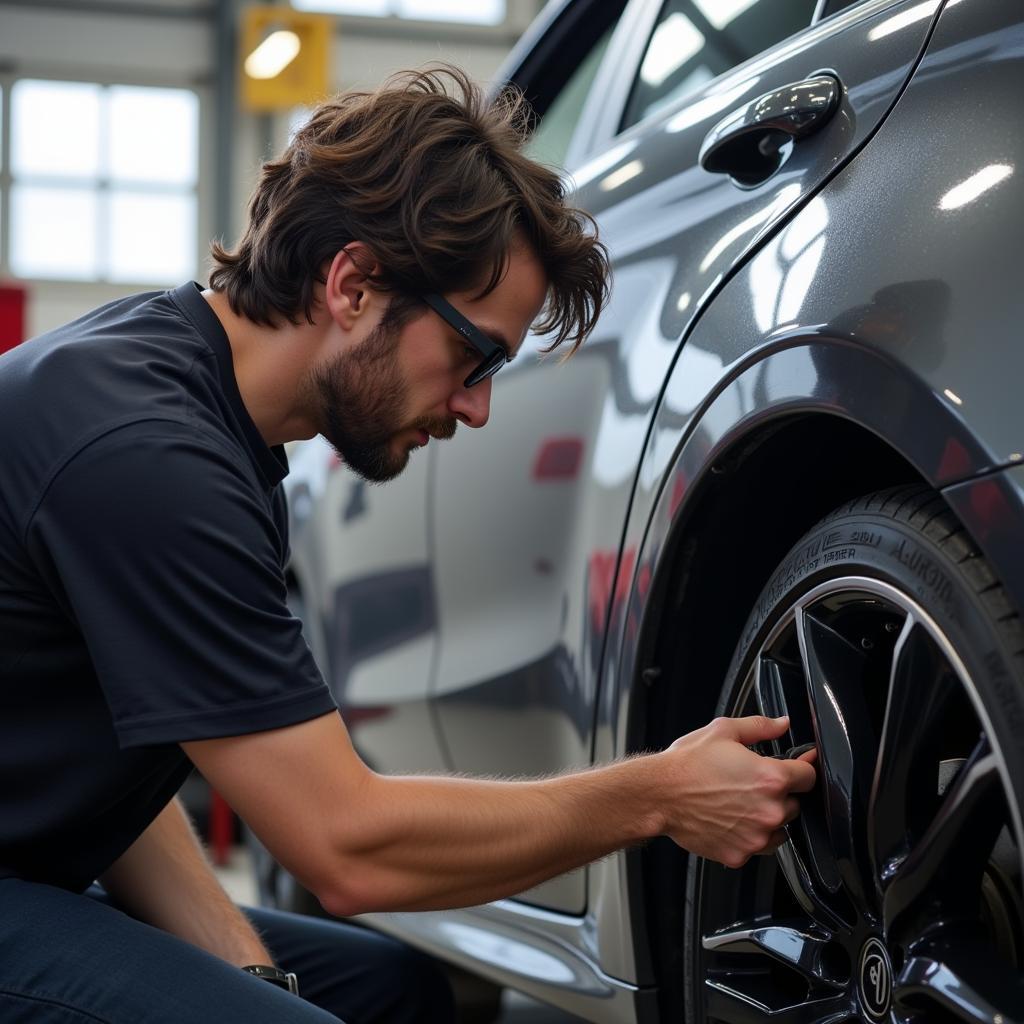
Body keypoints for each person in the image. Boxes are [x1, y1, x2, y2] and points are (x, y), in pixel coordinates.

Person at [0, 66, 815, 1023]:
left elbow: (120, 786)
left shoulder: (194, 409)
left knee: (393, 992)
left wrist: (248, 979)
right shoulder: (148, 458)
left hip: (33, 875)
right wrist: (658, 795)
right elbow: (345, 846)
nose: (475, 407)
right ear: (352, 284)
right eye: (474, 358)